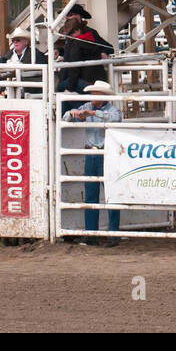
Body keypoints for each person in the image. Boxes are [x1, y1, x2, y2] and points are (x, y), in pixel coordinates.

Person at [64, 79, 122, 245]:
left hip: (105, 154)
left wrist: (93, 114)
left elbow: (116, 119)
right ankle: (92, 233)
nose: (91, 96)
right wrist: (75, 113)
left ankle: (112, 234)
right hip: (92, 153)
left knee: (110, 195)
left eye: (94, 93)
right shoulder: (88, 107)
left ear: (102, 96)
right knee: (92, 195)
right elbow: (66, 117)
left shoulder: (110, 110)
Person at [58, 4, 113, 94]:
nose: (67, 17)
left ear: (79, 16)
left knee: (62, 92)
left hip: (81, 79)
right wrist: (59, 51)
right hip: (76, 78)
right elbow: (72, 53)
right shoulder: (80, 35)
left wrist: (103, 52)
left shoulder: (90, 33)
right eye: (66, 15)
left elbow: (108, 47)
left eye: (70, 14)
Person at [0, 27, 48, 97]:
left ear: (26, 42)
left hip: (29, 93)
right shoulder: (5, 58)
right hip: (8, 93)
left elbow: (40, 76)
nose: (15, 42)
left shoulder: (36, 55)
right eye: (13, 40)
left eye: (18, 40)